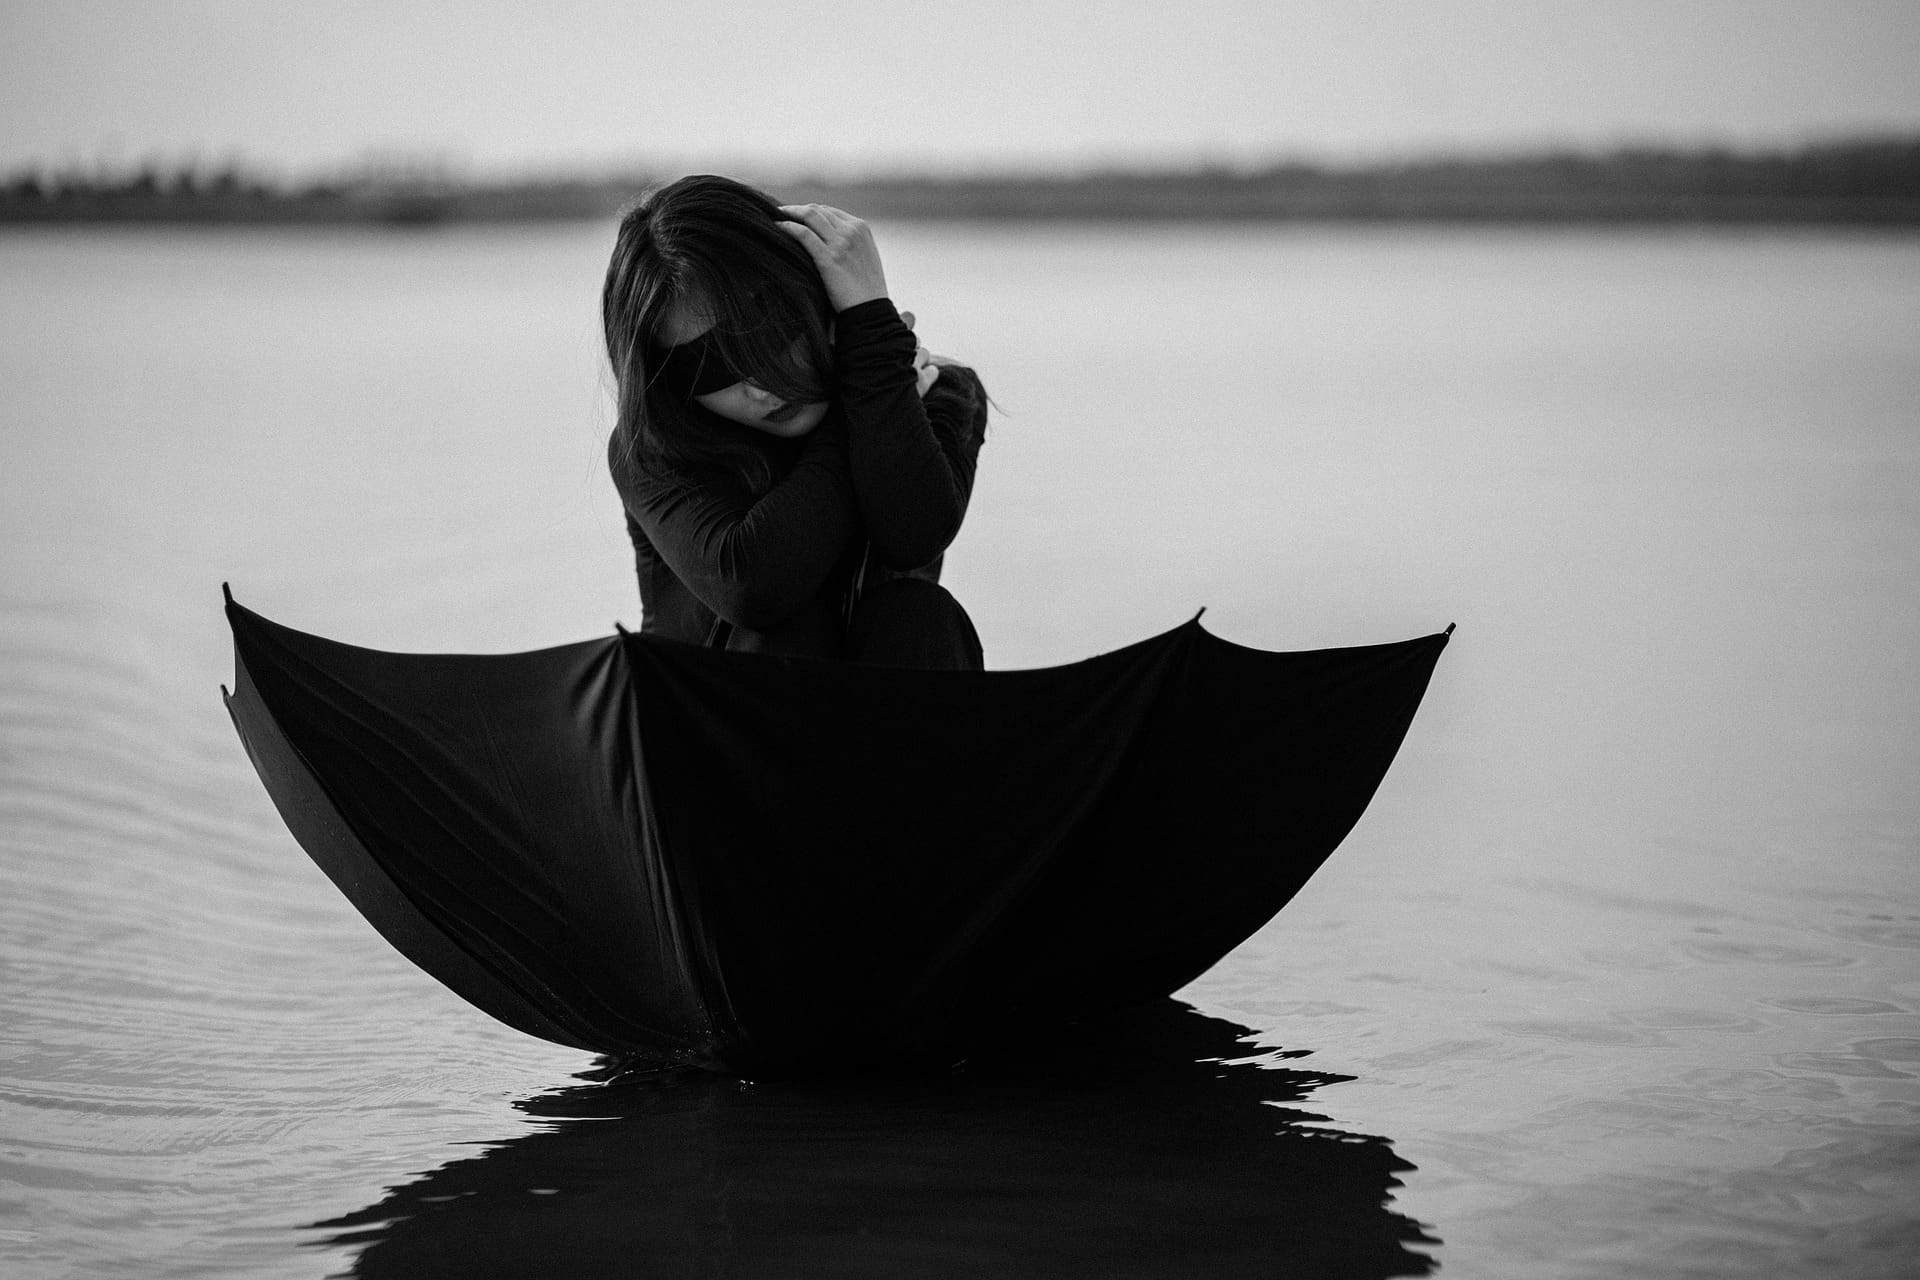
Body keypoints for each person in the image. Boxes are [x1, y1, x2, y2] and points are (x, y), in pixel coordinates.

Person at [601, 174, 989, 667]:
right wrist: (865, 392)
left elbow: (913, 533)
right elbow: (753, 588)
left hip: (884, 730)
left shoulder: (936, 390)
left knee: (919, 614)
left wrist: (870, 328)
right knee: (783, 628)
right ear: (665, 382)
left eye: (771, 333)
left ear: (814, 294)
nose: (763, 386)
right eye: (711, 366)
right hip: (705, 726)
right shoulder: (654, 446)